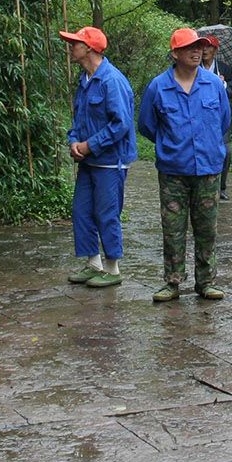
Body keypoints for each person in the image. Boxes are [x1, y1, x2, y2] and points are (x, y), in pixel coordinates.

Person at [141, 29, 232, 302]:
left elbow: (224, 121)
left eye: (199, 47)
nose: (197, 51)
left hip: (207, 168)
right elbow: (147, 125)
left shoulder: (214, 84)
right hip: (173, 170)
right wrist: (171, 145)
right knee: (172, 228)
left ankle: (206, 282)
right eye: (190, 47)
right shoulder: (158, 86)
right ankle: (172, 281)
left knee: (207, 228)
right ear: (175, 53)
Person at [59, 25, 136, 288]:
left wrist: (89, 145)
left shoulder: (111, 80)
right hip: (89, 161)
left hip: (110, 161)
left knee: (107, 213)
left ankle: (113, 269)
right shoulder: (85, 80)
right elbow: (78, 120)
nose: (71, 48)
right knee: (81, 211)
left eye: (75, 43)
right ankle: (93, 263)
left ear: (89, 48)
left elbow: (121, 124)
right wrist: (73, 142)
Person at [201, 38, 232, 200]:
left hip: (220, 115)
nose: (205, 50)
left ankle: (221, 187)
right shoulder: (193, 67)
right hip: (200, 116)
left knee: (226, 151)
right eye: (202, 47)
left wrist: (224, 85)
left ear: (215, 50)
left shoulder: (225, 69)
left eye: (209, 47)